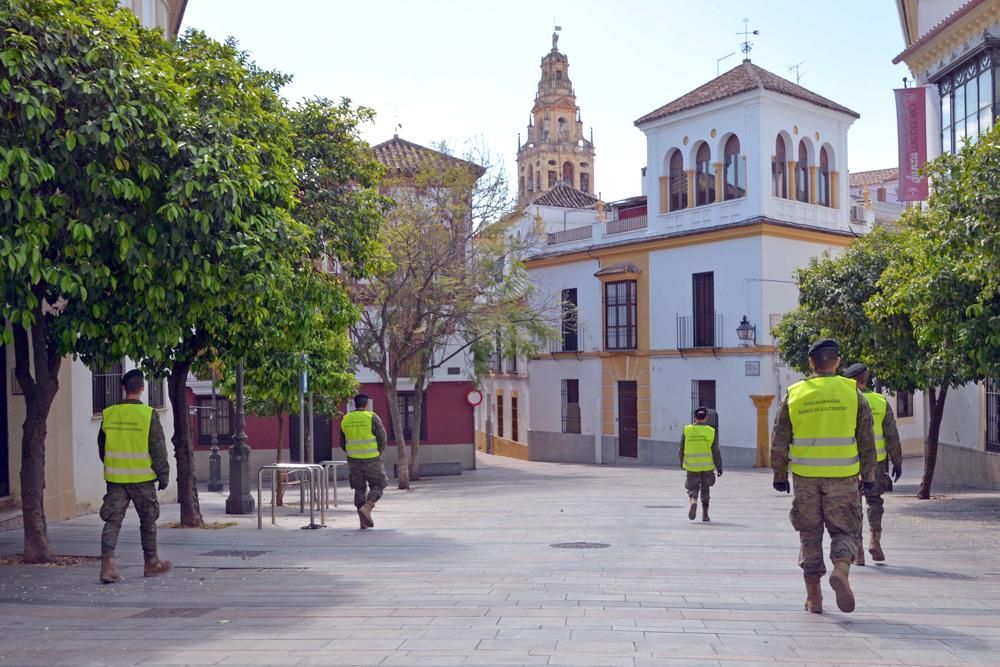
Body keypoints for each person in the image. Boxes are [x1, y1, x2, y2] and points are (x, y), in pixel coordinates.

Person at [770, 339, 877, 614]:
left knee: (809, 534)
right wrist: (869, 475)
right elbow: (866, 439)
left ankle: (814, 598)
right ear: (837, 362)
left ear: (811, 363)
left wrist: (779, 474)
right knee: (845, 529)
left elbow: (779, 439)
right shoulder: (852, 392)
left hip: (806, 479)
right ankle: (841, 569)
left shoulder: (795, 393)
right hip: (843, 477)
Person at [97, 369, 171, 584]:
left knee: (112, 522)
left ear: (123, 388)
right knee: (148, 521)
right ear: (141, 389)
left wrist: (114, 464)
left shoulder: (109, 413)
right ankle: (151, 563)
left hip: (115, 480)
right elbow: (157, 448)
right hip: (142, 479)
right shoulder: (148, 415)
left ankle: (107, 567)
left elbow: (102, 447)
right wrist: (163, 475)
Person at [842, 363, 903, 564]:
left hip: (851, 461)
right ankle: (874, 541)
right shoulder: (880, 401)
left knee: (854, 505)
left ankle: (858, 550)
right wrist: (897, 460)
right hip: (877, 461)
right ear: (865, 379)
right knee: (874, 501)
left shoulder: (846, 400)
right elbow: (891, 435)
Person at [339, 394, 388, 529]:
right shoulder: (372, 417)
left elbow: (342, 442)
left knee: (359, 488)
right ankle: (367, 507)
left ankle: (363, 521)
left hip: (353, 460)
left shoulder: (346, 419)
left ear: (355, 405)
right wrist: (378, 452)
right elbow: (382, 438)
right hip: (372, 458)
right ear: (367, 404)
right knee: (379, 484)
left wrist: (352, 452)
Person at [679, 406, 722, 522]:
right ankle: (705, 514)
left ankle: (693, 500)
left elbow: (681, 447)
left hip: (692, 465)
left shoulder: (687, 430)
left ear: (695, 418)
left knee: (692, 487)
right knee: (705, 489)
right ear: (706, 418)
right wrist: (719, 467)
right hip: (707, 466)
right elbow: (716, 450)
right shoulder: (711, 431)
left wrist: (681, 462)